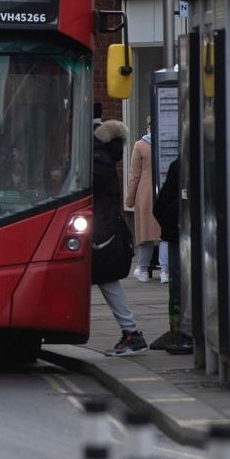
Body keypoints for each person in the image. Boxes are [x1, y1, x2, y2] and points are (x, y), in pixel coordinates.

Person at [93, 119, 148, 356]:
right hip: (105, 232)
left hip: (100, 235)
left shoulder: (97, 160)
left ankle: (132, 333)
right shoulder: (104, 159)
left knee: (107, 281)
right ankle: (130, 332)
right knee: (108, 282)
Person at [153, 157, 194, 354]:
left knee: (180, 283)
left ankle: (180, 330)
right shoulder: (184, 165)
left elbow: (162, 204)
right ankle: (182, 330)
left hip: (179, 233)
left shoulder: (180, 165)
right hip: (185, 233)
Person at [126, 118, 166, 283]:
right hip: (164, 191)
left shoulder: (140, 146)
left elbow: (134, 175)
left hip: (145, 193)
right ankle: (165, 271)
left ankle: (142, 270)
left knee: (145, 235)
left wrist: (129, 199)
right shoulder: (166, 144)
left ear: (148, 127)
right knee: (165, 235)